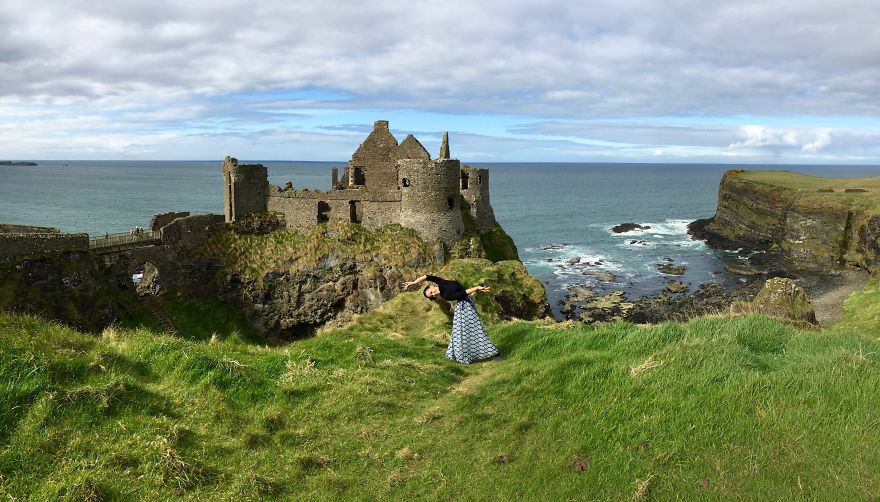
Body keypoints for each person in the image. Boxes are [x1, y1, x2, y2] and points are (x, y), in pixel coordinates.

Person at [403, 274, 501, 364]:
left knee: (469, 330)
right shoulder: (446, 296)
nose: (434, 294)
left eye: (431, 292)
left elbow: (426, 277)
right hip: (464, 308)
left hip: (466, 305)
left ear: (432, 286)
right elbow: (463, 293)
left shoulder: (441, 282)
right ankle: (489, 354)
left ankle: (478, 353)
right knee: (468, 331)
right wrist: (476, 288)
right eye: (432, 295)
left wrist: (413, 282)